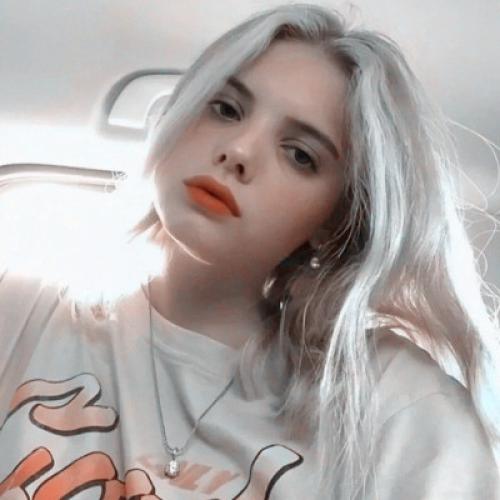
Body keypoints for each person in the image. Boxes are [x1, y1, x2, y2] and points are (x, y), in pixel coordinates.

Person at [0, 2, 499, 499]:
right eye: (225, 108)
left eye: (299, 155)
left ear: (335, 222)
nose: (238, 151)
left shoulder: (393, 399)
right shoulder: (23, 311)